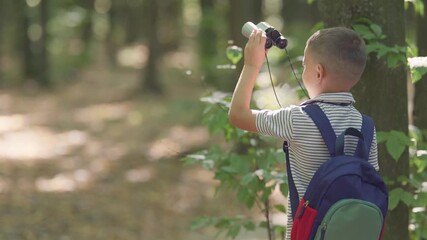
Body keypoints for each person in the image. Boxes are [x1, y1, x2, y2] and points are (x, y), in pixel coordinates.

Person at [228, 27, 379, 239]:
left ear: (318, 72)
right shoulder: (367, 127)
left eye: (304, 65)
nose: (303, 70)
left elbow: (238, 114)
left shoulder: (298, 119)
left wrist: (252, 65)